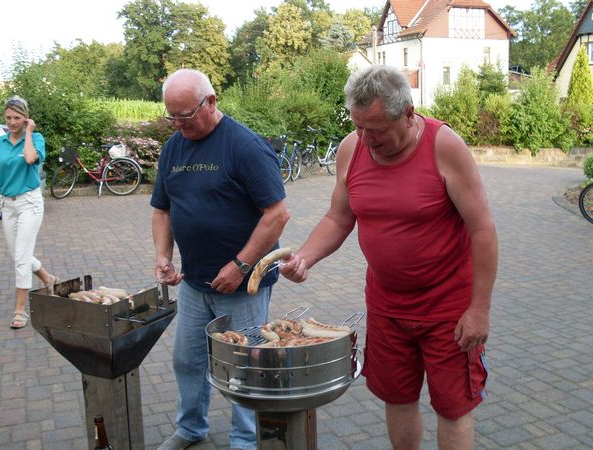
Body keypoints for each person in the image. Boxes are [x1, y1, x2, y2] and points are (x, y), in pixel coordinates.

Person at [279, 65, 498, 450]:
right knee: (396, 398)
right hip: (386, 306)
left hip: (447, 308)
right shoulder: (352, 148)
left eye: (376, 130)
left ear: (408, 114)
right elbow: (338, 217)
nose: (366, 139)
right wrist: (305, 258)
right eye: (358, 126)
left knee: (452, 407)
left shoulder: (443, 146)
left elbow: (482, 230)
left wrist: (479, 310)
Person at [151, 69, 289, 450]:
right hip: (195, 282)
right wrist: (163, 255)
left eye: (185, 116)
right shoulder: (173, 147)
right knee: (187, 360)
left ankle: (245, 439)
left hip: (244, 285)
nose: (178, 125)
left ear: (211, 102)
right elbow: (162, 210)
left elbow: (277, 215)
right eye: (171, 117)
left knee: (243, 364)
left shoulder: (245, 146)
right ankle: (190, 428)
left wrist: (241, 265)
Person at [0, 96, 57, 329]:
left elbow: (30, 158)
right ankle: (48, 278)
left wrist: (28, 132)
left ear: (26, 118)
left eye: (17, 118)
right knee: (19, 255)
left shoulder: (36, 139)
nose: (12, 122)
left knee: (21, 257)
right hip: (7, 205)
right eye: (8, 117)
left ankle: (20, 310)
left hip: (30, 203)